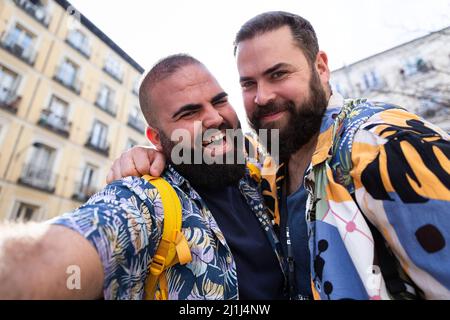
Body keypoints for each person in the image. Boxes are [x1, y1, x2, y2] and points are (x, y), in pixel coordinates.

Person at [109, 11, 450, 299]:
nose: (262, 97)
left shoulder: (382, 143)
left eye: (278, 74)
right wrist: (150, 154)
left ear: (321, 67)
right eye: (248, 84)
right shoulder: (269, 163)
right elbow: (202, 146)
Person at [0, 54, 287, 300]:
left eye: (219, 100)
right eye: (189, 113)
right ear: (156, 138)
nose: (214, 118)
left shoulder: (259, 172)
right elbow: (57, 250)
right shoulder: (145, 199)